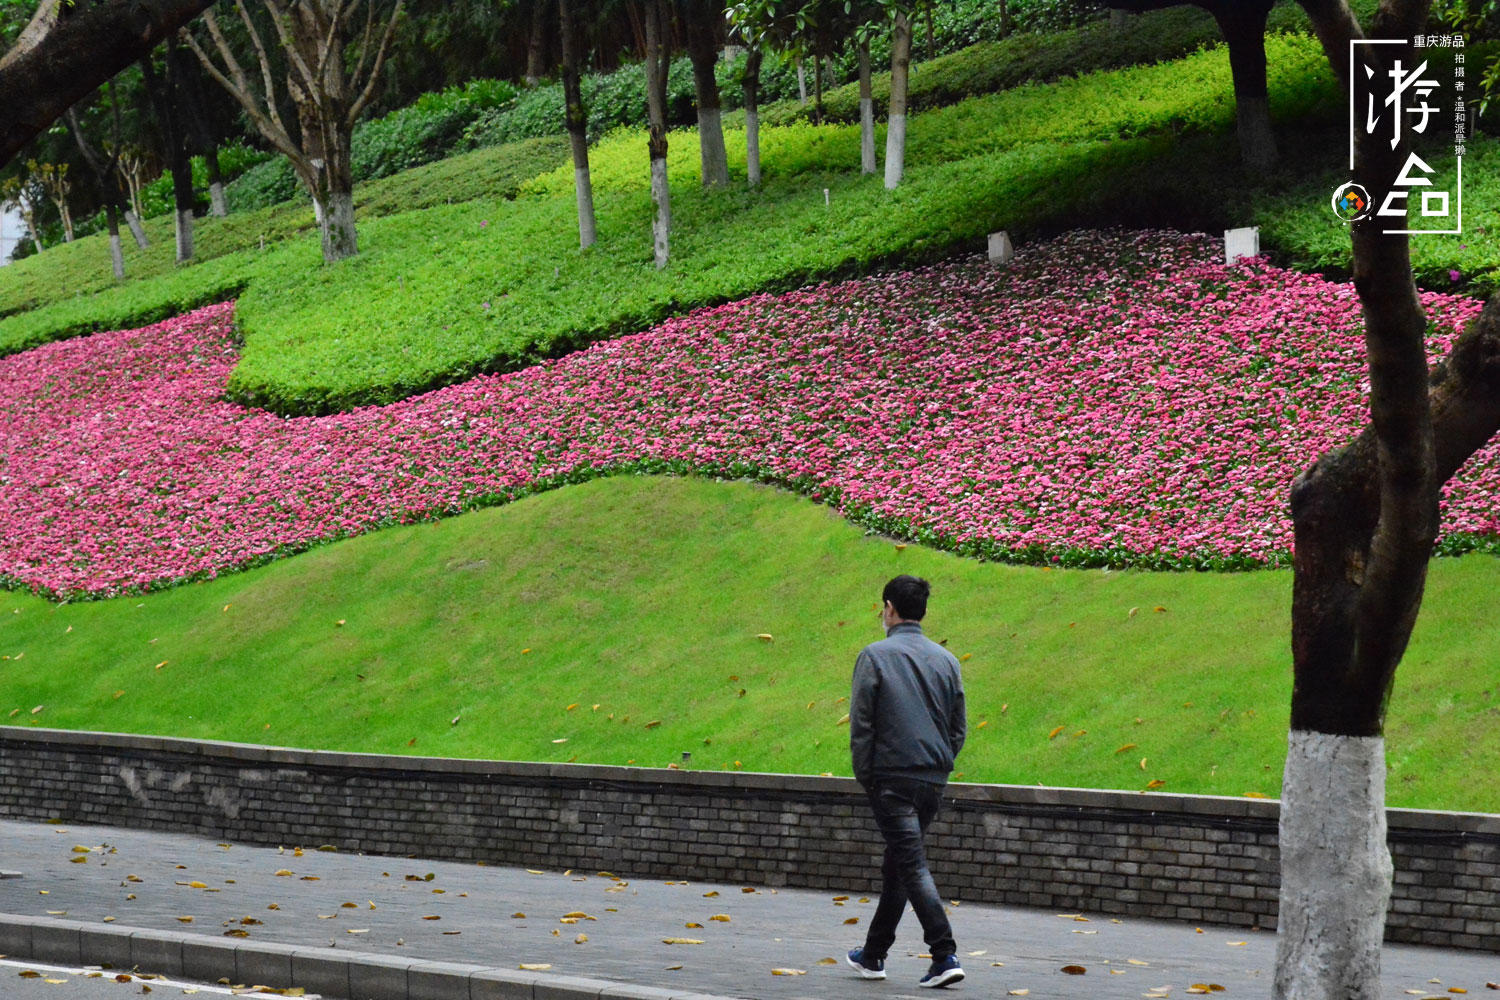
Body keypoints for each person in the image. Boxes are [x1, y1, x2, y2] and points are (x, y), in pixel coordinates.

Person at [846, 574, 967, 989]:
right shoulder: (947, 661)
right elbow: (958, 728)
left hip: (892, 779)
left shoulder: (875, 656)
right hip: (931, 781)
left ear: (889, 608)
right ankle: (872, 955)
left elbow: (862, 726)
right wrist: (942, 762)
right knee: (897, 867)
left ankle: (943, 953)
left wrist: (867, 776)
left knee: (911, 866)